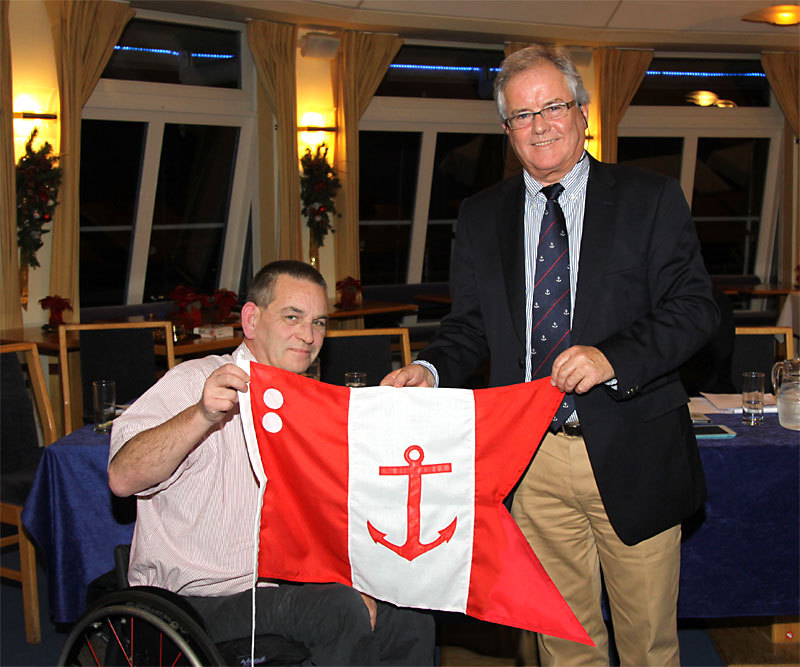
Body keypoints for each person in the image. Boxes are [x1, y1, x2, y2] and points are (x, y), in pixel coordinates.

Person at [382, 46, 718, 665]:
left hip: (634, 451)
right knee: (564, 645)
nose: (539, 125)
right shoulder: (481, 217)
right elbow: (470, 328)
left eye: (552, 107)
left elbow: (695, 309)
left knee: (649, 645)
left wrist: (612, 357)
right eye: (521, 115)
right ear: (506, 130)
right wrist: (429, 370)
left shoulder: (650, 198)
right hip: (530, 463)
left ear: (583, 113)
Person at [109, 260, 434, 666]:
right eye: (292, 317)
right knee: (337, 610)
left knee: (409, 608)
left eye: (318, 322)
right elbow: (122, 477)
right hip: (195, 600)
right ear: (251, 319)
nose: (308, 335)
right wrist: (200, 416)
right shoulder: (196, 380)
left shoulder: (311, 403)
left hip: (283, 585)